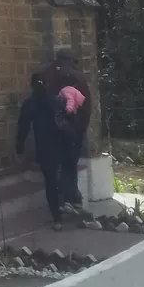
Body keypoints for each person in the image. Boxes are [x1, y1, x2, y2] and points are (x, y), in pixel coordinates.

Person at [16, 72, 66, 229]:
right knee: (65, 176)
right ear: (48, 83)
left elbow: (23, 129)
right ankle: (70, 206)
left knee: (51, 182)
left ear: (31, 85)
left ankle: (57, 218)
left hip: (44, 148)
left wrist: (19, 147)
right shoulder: (56, 101)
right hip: (62, 144)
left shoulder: (29, 104)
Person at [42, 48, 91, 209]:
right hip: (74, 131)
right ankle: (71, 198)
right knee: (70, 165)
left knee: (55, 165)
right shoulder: (80, 78)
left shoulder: (49, 75)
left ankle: (60, 201)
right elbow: (87, 106)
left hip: (54, 131)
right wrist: (80, 130)